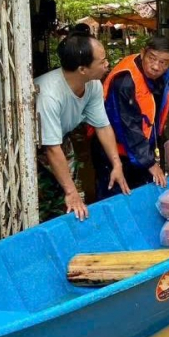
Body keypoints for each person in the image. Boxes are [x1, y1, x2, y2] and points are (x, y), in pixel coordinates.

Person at [35, 32, 130, 221]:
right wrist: (71, 192)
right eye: (102, 62)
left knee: (71, 197)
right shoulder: (49, 95)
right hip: (33, 147)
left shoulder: (93, 85)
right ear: (82, 69)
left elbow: (102, 126)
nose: (107, 64)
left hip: (60, 139)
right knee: (45, 203)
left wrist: (116, 164)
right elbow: (51, 148)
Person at [92, 36, 169, 199]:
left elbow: (153, 95)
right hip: (115, 150)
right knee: (117, 198)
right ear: (143, 53)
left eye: (163, 62)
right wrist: (149, 163)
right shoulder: (125, 81)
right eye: (152, 58)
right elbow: (128, 126)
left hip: (139, 149)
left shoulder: (161, 74)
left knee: (141, 194)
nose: (156, 66)